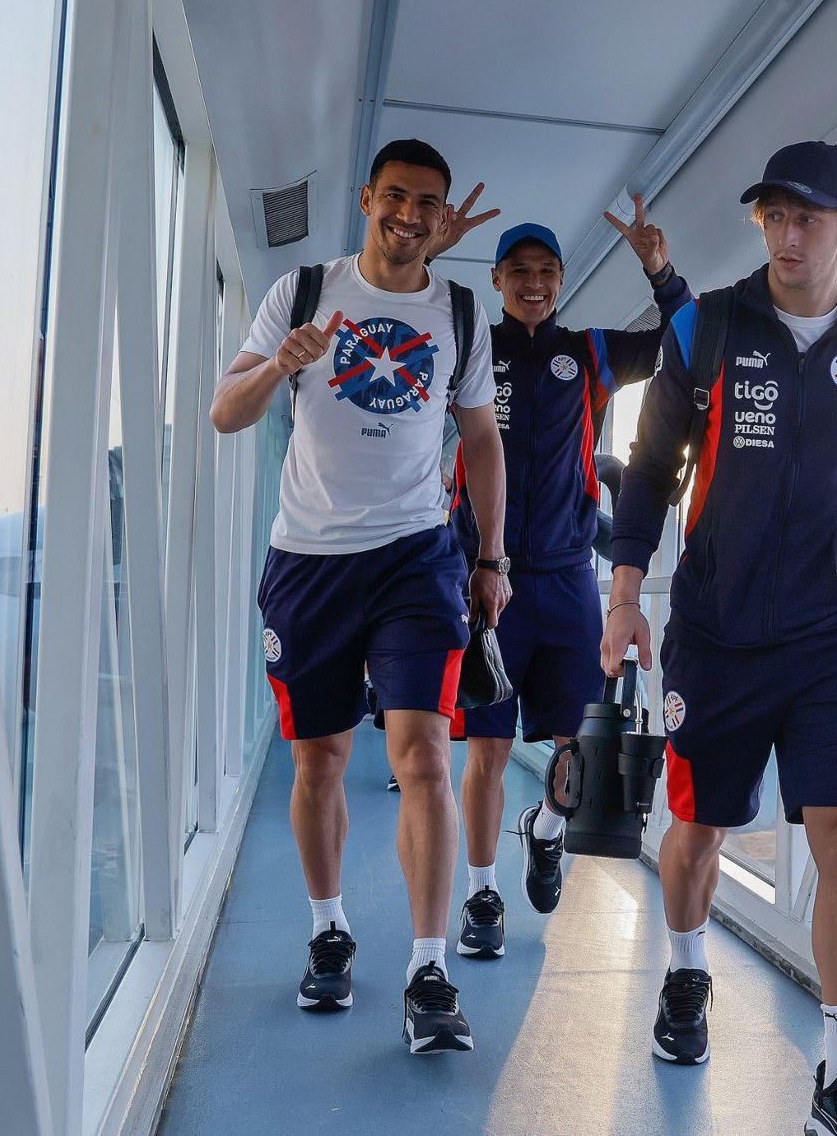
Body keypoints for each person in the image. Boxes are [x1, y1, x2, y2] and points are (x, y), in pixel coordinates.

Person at [602, 141, 837, 1134]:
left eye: (808, 219)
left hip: (833, 628)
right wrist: (624, 598)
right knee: (697, 830)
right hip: (718, 629)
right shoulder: (706, 327)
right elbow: (650, 467)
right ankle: (688, 973)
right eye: (773, 217)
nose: (788, 236)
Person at [210, 138, 509, 1056]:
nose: (409, 216)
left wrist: (490, 556)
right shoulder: (302, 291)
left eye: (427, 202)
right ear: (368, 198)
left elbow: (482, 441)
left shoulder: (459, 311)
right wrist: (281, 361)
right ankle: (329, 928)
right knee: (320, 764)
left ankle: (429, 972)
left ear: (443, 214)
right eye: (395, 197)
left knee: (422, 754)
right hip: (309, 559)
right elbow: (227, 411)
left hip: (418, 557)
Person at [422, 197, 691, 958]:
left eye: (546, 273)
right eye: (519, 273)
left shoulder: (590, 352)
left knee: (580, 750)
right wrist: (433, 255)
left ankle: (544, 828)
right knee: (489, 751)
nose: (534, 285)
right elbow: (412, 321)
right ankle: (480, 896)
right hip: (489, 580)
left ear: (561, 280)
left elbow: (689, 344)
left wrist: (660, 270)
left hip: (571, 580)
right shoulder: (473, 344)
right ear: (498, 279)